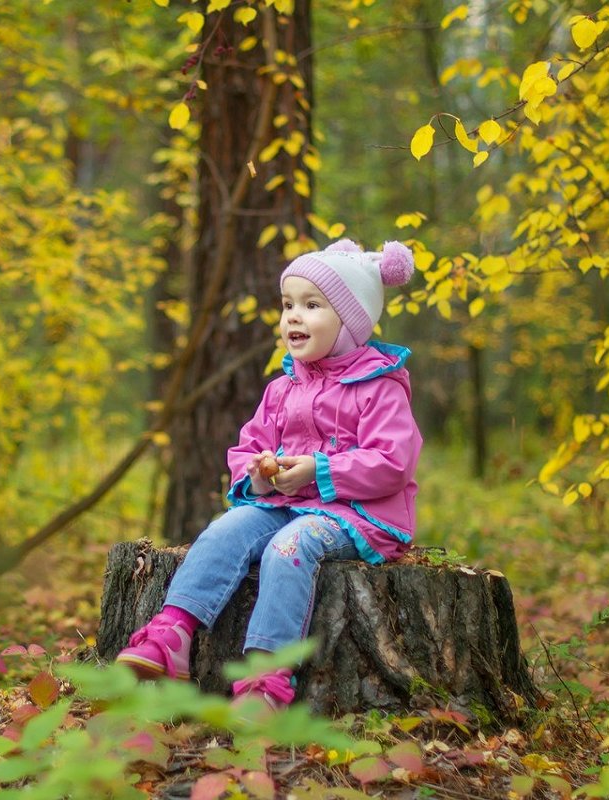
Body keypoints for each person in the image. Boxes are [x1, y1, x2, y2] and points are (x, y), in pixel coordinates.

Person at [116, 238, 422, 710]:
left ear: (351, 320)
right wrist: (261, 472)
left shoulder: (379, 387)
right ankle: (172, 631)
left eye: (312, 305)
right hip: (287, 501)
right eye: (287, 305)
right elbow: (248, 446)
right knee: (228, 529)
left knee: (290, 548)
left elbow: (392, 462)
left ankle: (266, 679)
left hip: (355, 515)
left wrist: (318, 471)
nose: (293, 316)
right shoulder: (283, 388)